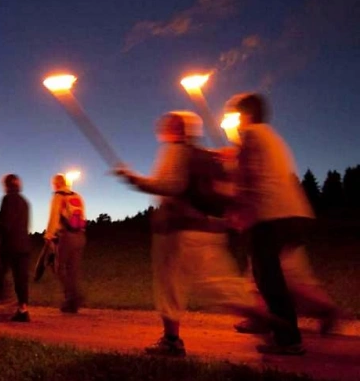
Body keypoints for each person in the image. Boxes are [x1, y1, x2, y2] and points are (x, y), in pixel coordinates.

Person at [115, 111, 273, 357]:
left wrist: (133, 179)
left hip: (177, 230)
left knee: (170, 286)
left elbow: (172, 186)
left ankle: (171, 341)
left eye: (169, 122)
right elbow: (229, 188)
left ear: (180, 129)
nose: (162, 124)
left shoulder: (176, 150)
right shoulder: (208, 156)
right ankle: (261, 317)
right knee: (219, 284)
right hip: (209, 229)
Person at [227, 93, 340, 355]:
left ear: (246, 115)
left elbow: (249, 179)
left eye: (236, 114)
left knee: (268, 279)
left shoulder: (252, 136)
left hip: (271, 215)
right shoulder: (271, 137)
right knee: (281, 275)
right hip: (293, 213)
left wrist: (240, 208)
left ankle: (288, 339)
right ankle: (290, 319)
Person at [0, 174, 32, 322]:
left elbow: (6, 224)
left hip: (9, 245)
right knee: (21, 278)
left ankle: (2, 297)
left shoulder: (7, 199)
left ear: (7, 185)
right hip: (24, 245)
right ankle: (23, 309)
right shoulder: (24, 201)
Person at [45, 173, 86, 313]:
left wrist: (49, 235)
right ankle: (72, 303)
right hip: (80, 236)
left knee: (59, 268)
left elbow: (54, 217)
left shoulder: (58, 197)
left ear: (56, 184)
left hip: (67, 237)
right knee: (73, 271)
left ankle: (73, 297)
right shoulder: (77, 196)